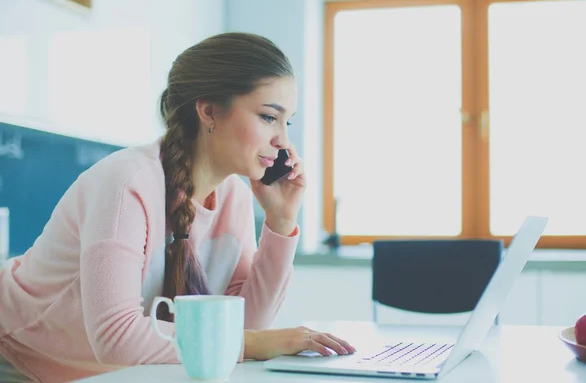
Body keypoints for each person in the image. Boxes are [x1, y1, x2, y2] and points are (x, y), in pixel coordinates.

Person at [0, 32, 356, 383]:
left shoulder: (235, 195)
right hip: (15, 354)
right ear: (209, 111)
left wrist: (281, 221)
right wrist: (256, 343)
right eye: (268, 117)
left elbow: (242, 328)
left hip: (97, 373)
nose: (283, 141)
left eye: (286, 121)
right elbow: (115, 337)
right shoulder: (127, 183)